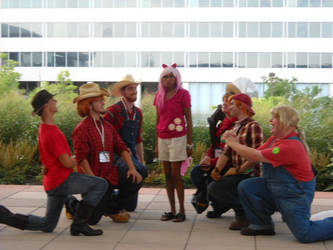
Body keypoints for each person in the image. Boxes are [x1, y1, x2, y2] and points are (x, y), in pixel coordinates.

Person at [0, 90, 108, 236]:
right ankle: (79, 224)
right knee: (100, 184)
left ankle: (5, 217)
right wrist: (83, 153)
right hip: (62, 181)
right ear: (46, 105)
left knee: (48, 225)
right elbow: (68, 163)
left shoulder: (44, 128)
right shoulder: (52, 132)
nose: (56, 102)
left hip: (52, 182)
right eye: (53, 100)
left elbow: (48, 158)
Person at [223, 105, 333, 243]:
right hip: (277, 189)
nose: (270, 121)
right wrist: (236, 142)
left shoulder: (290, 146)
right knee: (247, 186)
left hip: (295, 195)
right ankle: (262, 225)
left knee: (305, 235)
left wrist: (233, 144)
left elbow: (256, 155)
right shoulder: (274, 140)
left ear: (284, 121)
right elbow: (253, 157)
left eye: (274, 118)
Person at [72, 82, 143, 225]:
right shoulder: (82, 129)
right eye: (99, 100)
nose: (104, 102)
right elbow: (81, 158)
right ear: (89, 105)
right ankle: (71, 204)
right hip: (93, 178)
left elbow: (122, 147)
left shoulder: (107, 126)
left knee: (137, 177)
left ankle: (111, 207)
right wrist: (93, 180)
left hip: (109, 174)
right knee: (91, 220)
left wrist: (132, 168)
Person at [207, 93, 264, 230]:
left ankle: (244, 214)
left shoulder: (253, 126)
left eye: (232, 104)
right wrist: (217, 170)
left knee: (216, 188)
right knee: (212, 185)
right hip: (240, 173)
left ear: (241, 106)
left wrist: (239, 170)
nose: (229, 106)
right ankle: (243, 212)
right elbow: (226, 152)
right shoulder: (235, 127)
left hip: (250, 174)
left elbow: (258, 155)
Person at [190, 83, 240, 216]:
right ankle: (211, 200)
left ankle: (211, 201)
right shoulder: (224, 122)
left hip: (230, 165)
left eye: (228, 102)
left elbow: (230, 154)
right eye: (223, 101)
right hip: (218, 160)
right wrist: (207, 157)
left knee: (211, 180)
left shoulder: (237, 125)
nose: (223, 104)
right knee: (196, 173)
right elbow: (215, 145)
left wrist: (212, 163)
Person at [154, 63, 193, 222]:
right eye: (165, 76)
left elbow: (189, 120)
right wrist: (157, 143)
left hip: (178, 137)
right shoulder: (159, 95)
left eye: (171, 76)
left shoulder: (183, 94)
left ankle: (182, 210)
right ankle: (172, 209)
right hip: (163, 137)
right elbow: (158, 120)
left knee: (176, 174)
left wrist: (190, 143)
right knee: (167, 175)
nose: (168, 79)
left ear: (177, 78)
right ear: (161, 79)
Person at [104, 74, 148, 211]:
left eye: (135, 88)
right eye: (130, 89)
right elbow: (104, 135)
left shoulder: (138, 113)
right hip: (116, 154)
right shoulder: (113, 111)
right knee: (141, 171)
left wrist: (141, 159)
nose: (134, 91)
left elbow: (138, 139)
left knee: (130, 207)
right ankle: (110, 203)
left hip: (132, 154)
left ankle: (113, 200)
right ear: (123, 92)